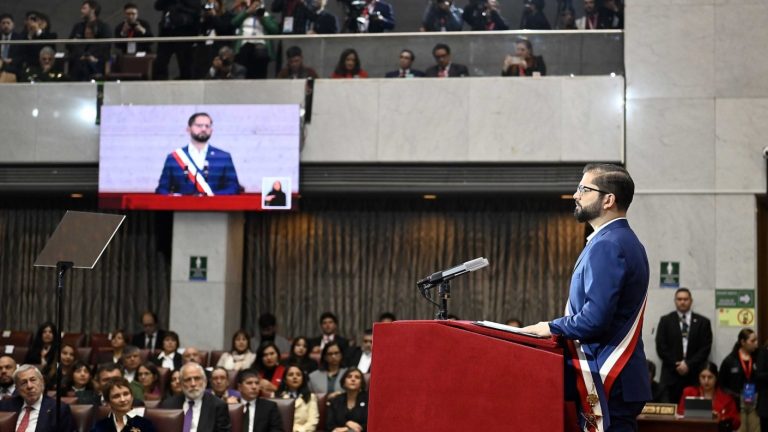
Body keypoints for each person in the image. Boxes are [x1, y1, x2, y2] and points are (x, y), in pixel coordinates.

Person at [520, 164, 651, 431]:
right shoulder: (625, 240)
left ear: (608, 200)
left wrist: (549, 327)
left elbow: (595, 319)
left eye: (584, 189)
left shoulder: (608, 244)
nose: (575, 195)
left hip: (608, 377)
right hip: (616, 378)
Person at [156, 112, 241, 196]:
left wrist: (211, 196)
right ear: (188, 129)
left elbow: (233, 187)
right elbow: (162, 189)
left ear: (211, 130)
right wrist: (176, 197)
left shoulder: (223, 157)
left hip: (215, 208)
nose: (204, 129)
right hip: (183, 208)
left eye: (207, 126)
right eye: (199, 125)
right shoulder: (174, 158)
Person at [655, 287, 713, 404]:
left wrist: (688, 364)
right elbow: (661, 346)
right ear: (675, 301)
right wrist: (676, 364)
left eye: (685, 299)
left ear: (691, 301)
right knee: (670, 416)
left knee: (694, 415)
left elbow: (705, 348)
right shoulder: (665, 321)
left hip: (694, 375)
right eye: (679, 299)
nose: (682, 302)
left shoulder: (703, 322)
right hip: (671, 376)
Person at [0, 364, 76, 432]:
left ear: (42, 381)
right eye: (23, 383)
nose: (29, 386)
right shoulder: (5, 407)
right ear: (17, 388)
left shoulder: (59, 409)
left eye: (33, 380)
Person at [159, 362, 232, 432]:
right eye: (187, 380)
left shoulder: (218, 406)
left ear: (205, 381)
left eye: (197, 378)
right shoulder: (168, 405)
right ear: (181, 384)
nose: (193, 384)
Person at [677, 362, 741, 430]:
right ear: (698, 377)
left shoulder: (727, 397)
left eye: (710, 377)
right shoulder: (688, 392)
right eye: (703, 377)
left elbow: (736, 423)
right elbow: (679, 413)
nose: (706, 381)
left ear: (716, 378)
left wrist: (720, 417)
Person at [719, 328, 759, 432]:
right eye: (752, 341)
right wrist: (734, 395)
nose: (756, 344)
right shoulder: (730, 360)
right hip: (737, 402)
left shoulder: (758, 358)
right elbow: (721, 385)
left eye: (756, 340)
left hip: (754, 402)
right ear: (742, 342)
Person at [231, 0, 280, 79]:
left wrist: (262, 17)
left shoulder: (266, 15)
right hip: (244, 45)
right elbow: (234, 23)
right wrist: (247, 12)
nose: (255, 6)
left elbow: (275, 30)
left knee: (260, 55)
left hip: (261, 45)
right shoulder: (243, 13)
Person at [153, 0, 199, 80]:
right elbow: (157, 6)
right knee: (160, 63)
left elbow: (196, 9)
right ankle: (160, 83)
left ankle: (186, 84)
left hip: (184, 33)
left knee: (185, 64)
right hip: (166, 32)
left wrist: (178, 6)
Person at [91, 377, 157, 432]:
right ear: (108, 402)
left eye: (126, 394)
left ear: (132, 396)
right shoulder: (99, 427)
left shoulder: (145, 425)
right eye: (116, 396)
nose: (123, 399)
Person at [276, 365, 319, 432]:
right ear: (285, 379)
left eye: (298, 375)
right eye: (291, 375)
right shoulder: (277, 397)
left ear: (303, 378)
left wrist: (299, 430)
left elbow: (313, 421)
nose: (295, 377)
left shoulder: (310, 397)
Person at [326, 368, 368, 432]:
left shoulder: (368, 400)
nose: (353, 379)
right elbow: (329, 425)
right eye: (349, 377)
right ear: (344, 382)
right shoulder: (335, 400)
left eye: (357, 377)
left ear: (361, 383)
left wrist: (350, 429)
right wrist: (347, 424)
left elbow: (371, 423)